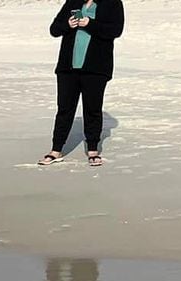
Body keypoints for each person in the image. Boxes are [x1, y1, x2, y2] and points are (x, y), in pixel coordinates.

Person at [38, 0, 125, 167]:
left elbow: (115, 30)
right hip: (68, 67)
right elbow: (54, 29)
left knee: (92, 109)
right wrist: (67, 24)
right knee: (64, 109)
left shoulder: (112, 3)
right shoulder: (73, 1)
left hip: (96, 68)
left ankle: (93, 150)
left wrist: (90, 24)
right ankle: (56, 150)